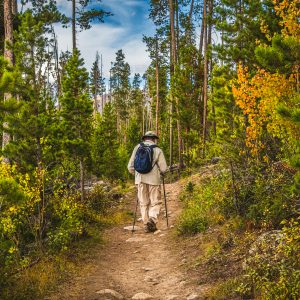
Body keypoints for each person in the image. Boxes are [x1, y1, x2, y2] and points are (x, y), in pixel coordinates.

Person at [128, 131, 167, 233]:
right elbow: (163, 168)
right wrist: (161, 173)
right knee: (156, 201)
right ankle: (152, 219)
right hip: (154, 180)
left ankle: (146, 224)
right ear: (154, 139)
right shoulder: (158, 150)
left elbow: (130, 167)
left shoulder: (137, 147)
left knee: (143, 202)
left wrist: (136, 175)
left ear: (145, 138)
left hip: (140, 179)